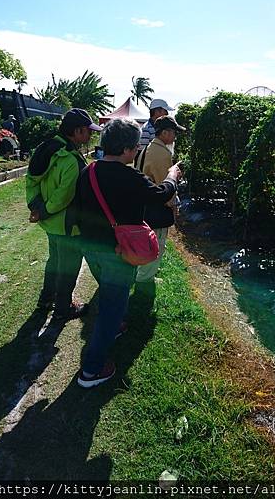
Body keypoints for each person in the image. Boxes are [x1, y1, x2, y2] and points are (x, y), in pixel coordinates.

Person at [76, 118, 181, 388]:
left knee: (112, 300)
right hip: (118, 253)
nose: (136, 151)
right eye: (135, 147)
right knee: (112, 308)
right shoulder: (128, 175)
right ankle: (91, 371)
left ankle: (113, 329)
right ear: (124, 149)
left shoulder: (88, 171)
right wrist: (172, 176)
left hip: (91, 248)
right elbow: (159, 194)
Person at [26, 108, 102, 320]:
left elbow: (31, 180)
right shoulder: (69, 158)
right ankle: (62, 309)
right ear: (77, 131)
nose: (90, 136)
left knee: (54, 262)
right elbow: (64, 196)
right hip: (68, 225)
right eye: (88, 131)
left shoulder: (46, 148)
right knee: (69, 267)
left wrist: (37, 208)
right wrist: (45, 210)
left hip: (50, 223)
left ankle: (45, 300)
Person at [136, 115, 186, 285]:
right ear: (165, 133)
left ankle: (142, 273)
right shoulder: (162, 154)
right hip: (156, 208)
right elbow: (164, 187)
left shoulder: (148, 148)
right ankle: (145, 280)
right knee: (156, 244)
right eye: (174, 133)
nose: (175, 137)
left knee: (145, 243)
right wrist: (173, 205)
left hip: (144, 205)